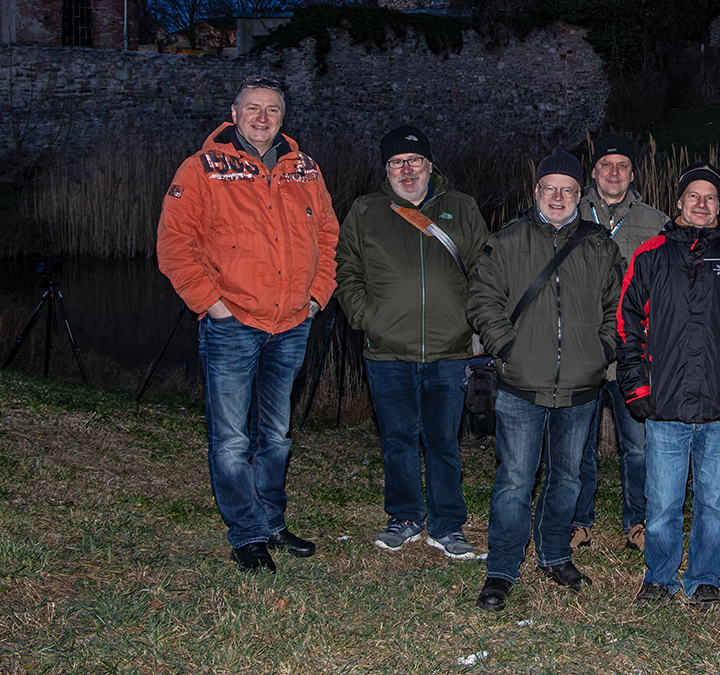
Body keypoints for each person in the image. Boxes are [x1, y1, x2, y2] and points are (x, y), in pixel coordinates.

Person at [157, 76, 338, 574]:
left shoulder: (305, 169)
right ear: (234, 114)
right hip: (233, 323)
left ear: (283, 116)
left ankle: (272, 520)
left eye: (272, 110)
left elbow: (327, 235)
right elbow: (175, 246)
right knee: (233, 438)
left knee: (276, 435)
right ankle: (248, 532)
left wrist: (317, 297)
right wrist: (212, 304)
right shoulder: (202, 170)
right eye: (253, 109)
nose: (263, 118)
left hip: (292, 322)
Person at [466, 146, 623, 613]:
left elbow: (619, 308)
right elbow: (481, 299)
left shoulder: (599, 245)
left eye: (568, 190)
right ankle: (502, 568)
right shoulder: (509, 239)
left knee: (568, 478)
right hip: (521, 385)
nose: (558, 197)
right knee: (515, 480)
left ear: (581, 194)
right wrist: (508, 347)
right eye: (550, 189)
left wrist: (602, 352)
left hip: (581, 387)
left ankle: (555, 554)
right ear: (536, 191)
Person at [616, 162, 720, 610]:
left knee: (712, 504)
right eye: (693, 196)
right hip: (665, 406)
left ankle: (704, 579)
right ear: (679, 201)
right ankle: (659, 578)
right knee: (662, 504)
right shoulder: (650, 255)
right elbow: (627, 327)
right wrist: (637, 388)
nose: (701, 204)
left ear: (719, 207)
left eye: (710, 198)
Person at [334, 126, 490, 558]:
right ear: (386, 170)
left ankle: (446, 524)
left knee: (444, 441)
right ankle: (403, 517)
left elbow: (485, 269)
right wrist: (366, 317)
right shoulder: (366, 211)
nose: (407, 170)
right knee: (398, 438)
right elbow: (345, 268)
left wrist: (474, 326)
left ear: (429, 165)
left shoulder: (461, 207)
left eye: (415, 161)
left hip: (450, 348)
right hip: (387, 350)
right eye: (397, 163)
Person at [571, 132, 669, 554]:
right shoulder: (567, 212)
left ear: (633, 172)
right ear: (594, 172)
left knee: (640, 446)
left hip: (634, 354)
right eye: (606, 165)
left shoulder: (654, 222)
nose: (614, 172)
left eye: (623, 165)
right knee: (578, 445)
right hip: (582, 350)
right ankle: (578, 521)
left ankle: (640, 520)